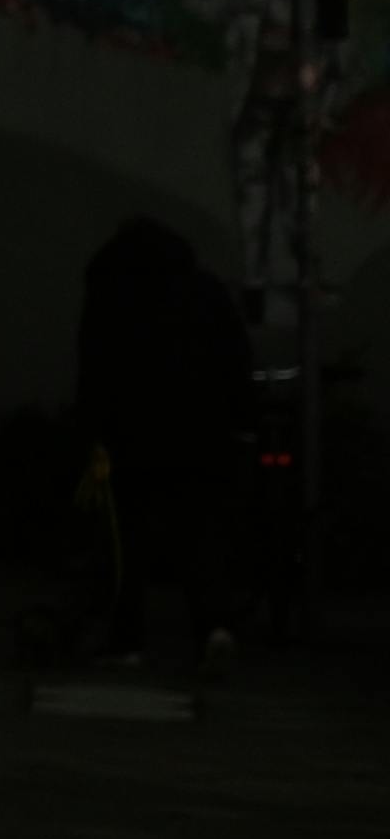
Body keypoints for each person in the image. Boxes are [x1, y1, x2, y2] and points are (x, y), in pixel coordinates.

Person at [75, 212, 254, 666]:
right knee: (201, 535)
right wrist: (238, 419)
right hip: (201, 430)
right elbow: (236, 357)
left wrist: (92, 429)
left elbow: (95, 366)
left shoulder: (111, 291)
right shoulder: (204, 289)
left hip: (131, 431)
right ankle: (214, 626)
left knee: (125, 543)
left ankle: (127, 639)